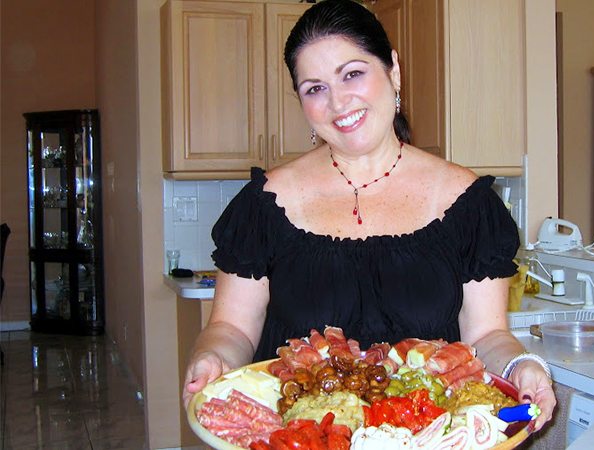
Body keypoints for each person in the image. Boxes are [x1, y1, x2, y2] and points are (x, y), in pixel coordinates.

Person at [183, 0, 556, 431]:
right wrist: (212, 357)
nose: (338, 102)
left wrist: (520, 367)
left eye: (352, 74)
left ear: (393, 71)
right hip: (301, 437)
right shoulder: (265, 204)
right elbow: (232, 328)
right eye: (314, 88)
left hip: (429, 435)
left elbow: (487, 336)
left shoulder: (466, 202)